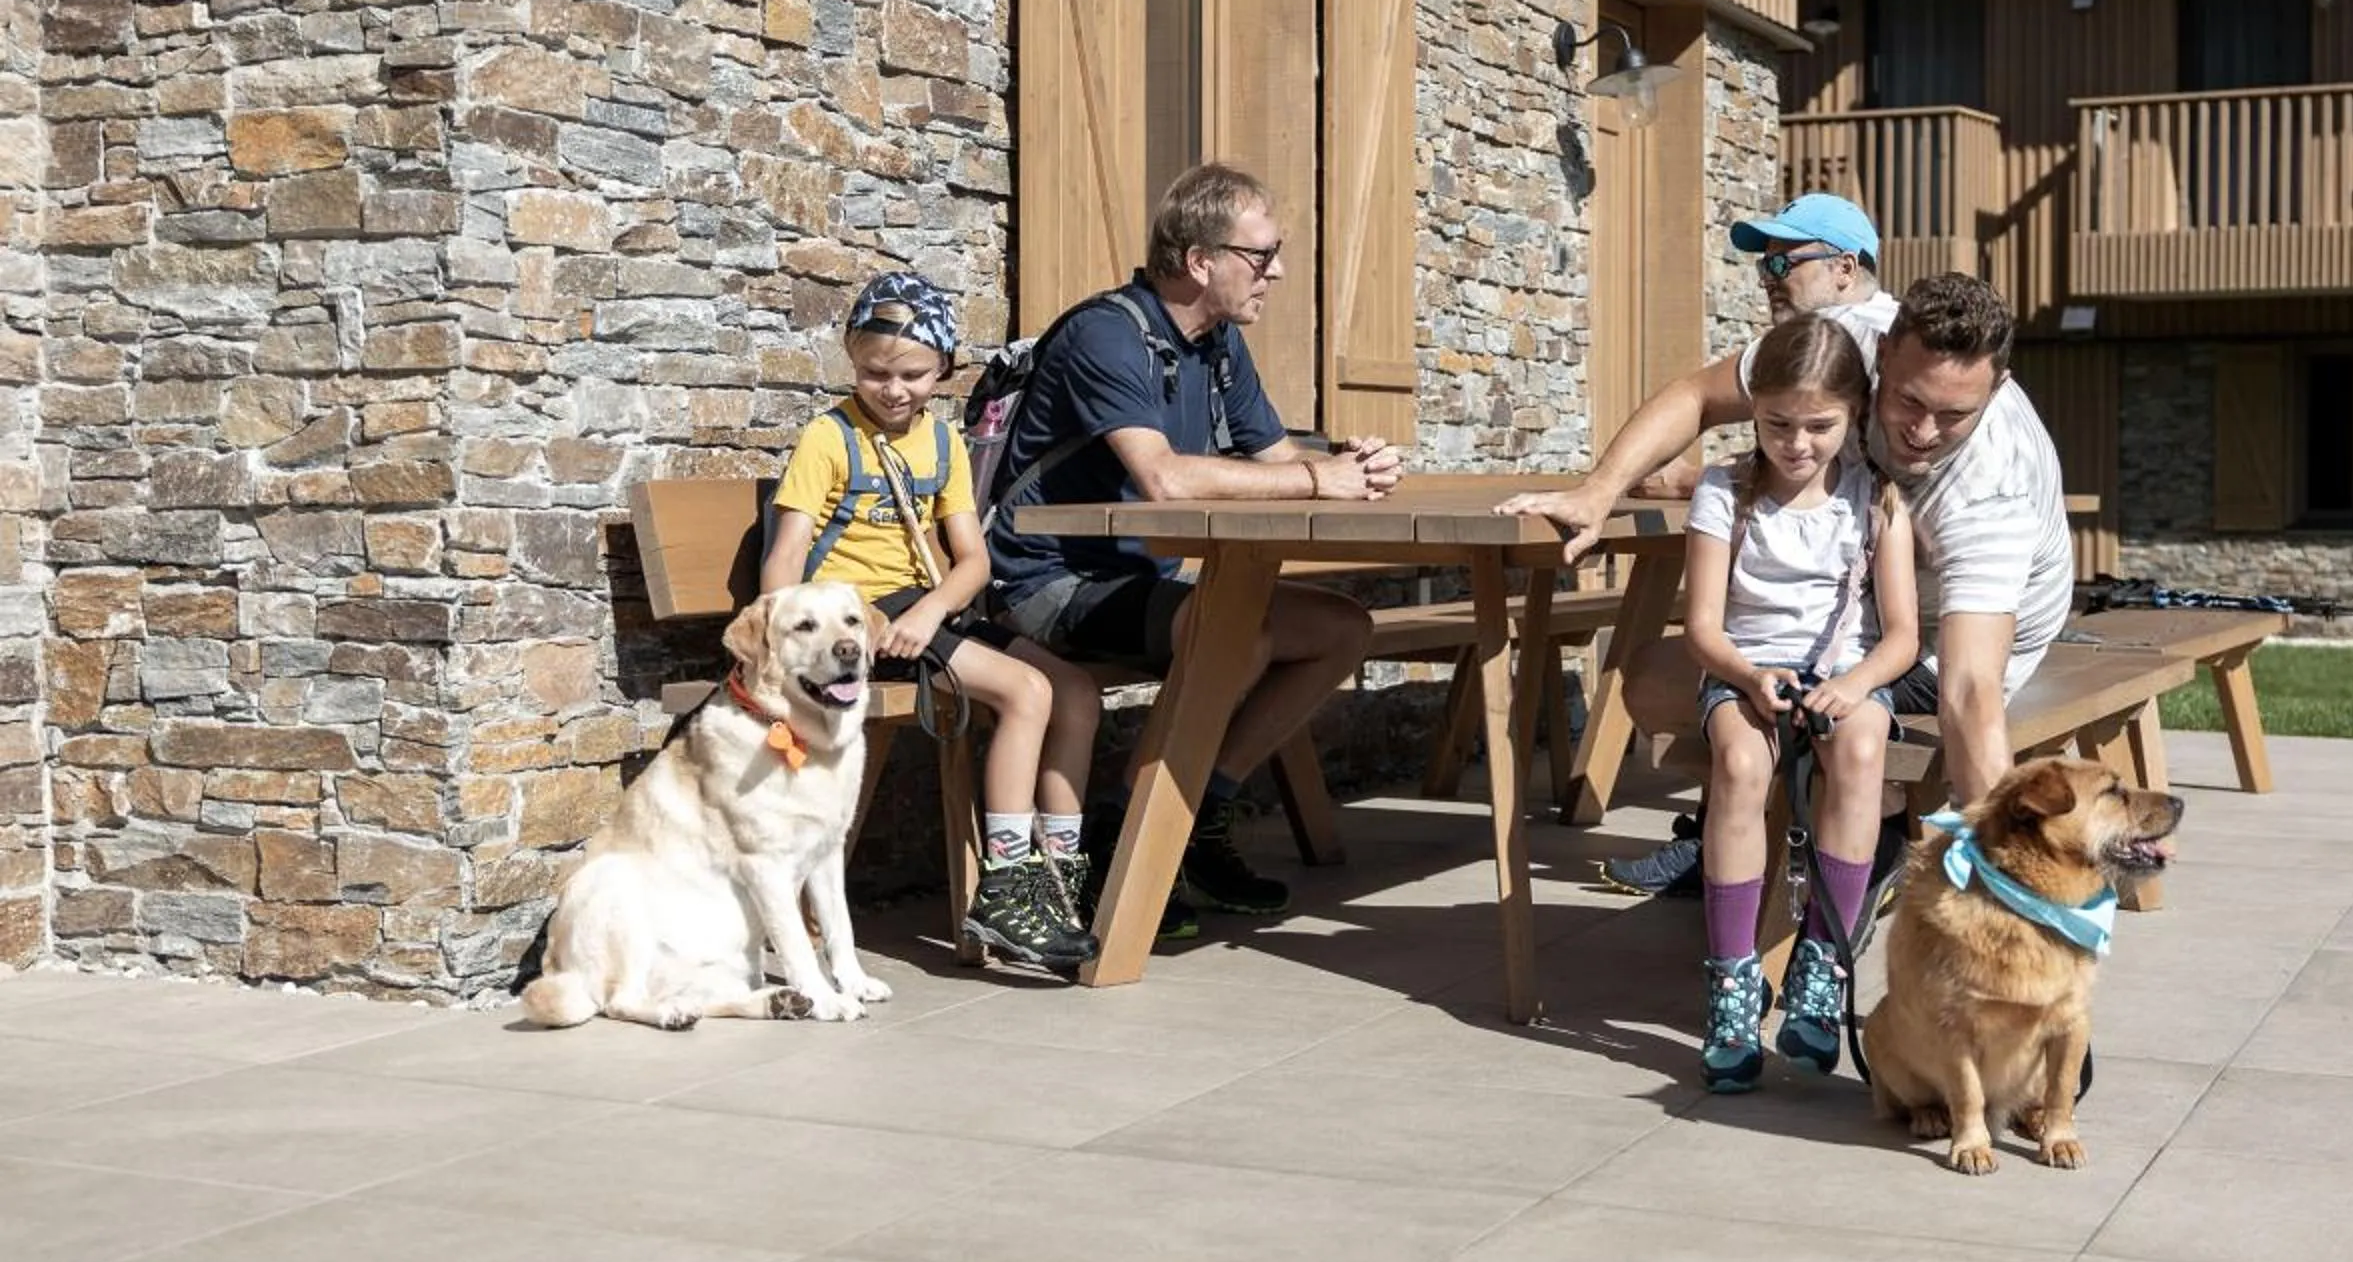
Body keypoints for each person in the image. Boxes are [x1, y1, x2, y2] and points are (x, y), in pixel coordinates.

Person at [1500, 242, 2071, 824]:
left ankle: (1858, 824)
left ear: (1996, 389)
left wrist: (2000, 857)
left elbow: (1969, 689)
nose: (1923, 432)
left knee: (1811, 716)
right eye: (1909, 401)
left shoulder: (1997, 488)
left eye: (1953, 416)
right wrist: (1600, 491)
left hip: (1937, 645)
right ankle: (1774, 826)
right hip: (1856, 613)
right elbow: (1696, 395)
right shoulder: (1841, 344)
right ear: (1881, 355)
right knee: (1650, 681)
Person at [983, 161, 1401, 936]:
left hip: (1137, 581)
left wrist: (1352, 464)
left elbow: (1278, 459)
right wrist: (1319, 480)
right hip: (1047, 583)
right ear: (1200, 260)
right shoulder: (1108, 335)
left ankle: (1199, 813)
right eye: (1261, 255)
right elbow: (1164, 479)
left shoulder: (1216, 344)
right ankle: (1129, 834)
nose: (1277, 273)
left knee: (1343, 628)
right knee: (1236, 632)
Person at [760, 271, 1099, 977]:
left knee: (1075, 692)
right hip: (858, 621)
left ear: (943, 368)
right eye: (874, 372)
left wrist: (933, 607)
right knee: (1026, 692)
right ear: (852, 360)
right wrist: (780, 647)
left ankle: (1061, 879)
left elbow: (972, 561)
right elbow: (787, 551)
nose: (893, 389)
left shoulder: (944, 444)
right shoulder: (829, 438)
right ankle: (1006, 888)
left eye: (912, 375)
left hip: (924, 609)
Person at [1601, 190, 1905, 898]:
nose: (1767, 277)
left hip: (1885, 645)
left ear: (1845, 269)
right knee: (1736, 664)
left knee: (1646, 677)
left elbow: (1693, 396)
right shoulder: (1893, 336)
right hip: (1930, 623)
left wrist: (1604, 490)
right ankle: (1736, 835)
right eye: (1762, 264)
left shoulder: (1845, 337)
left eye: (1782, 261)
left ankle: (1812, 835)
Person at [1685, 314, 1919, 1091]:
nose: (1797, 444)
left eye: (1819, 426)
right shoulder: (1724, 492)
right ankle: (1732, 978)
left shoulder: (1876, 499)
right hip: (1743, 670)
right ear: (1753, 410)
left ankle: (1822, 963)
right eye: (1777, 424)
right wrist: (1750, 677)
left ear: (1854, 414)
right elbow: (1703, 627)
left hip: (1846, 672)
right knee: (1739, 764)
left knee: (1861, 749)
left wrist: (1853, 685)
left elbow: (1902, 637)